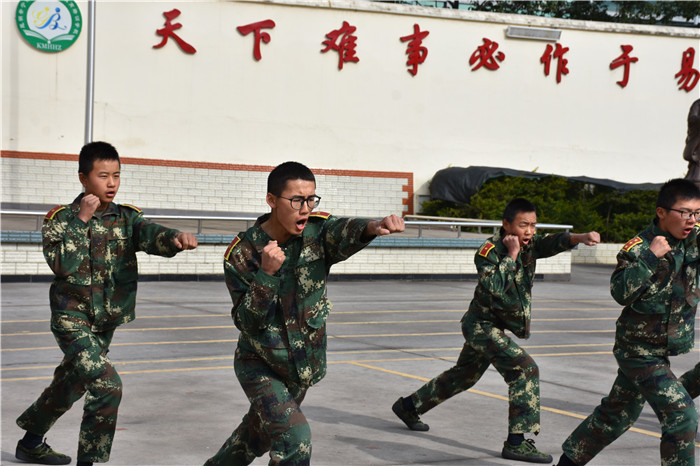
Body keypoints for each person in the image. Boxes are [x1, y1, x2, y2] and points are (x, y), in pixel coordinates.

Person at [204, 161, 405, 466]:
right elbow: (247, 322)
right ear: (272, 200)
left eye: (311, 199)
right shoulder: (243, 253)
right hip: (260, 365)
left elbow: (344, 230)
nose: (306, 209)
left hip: (300, 368)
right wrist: (266, 275)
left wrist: (374, 227)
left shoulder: (317, 233)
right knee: (295, 441)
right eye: (297, 200)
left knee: (254, 437)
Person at [15, 141, 198, 466]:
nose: (111, 183)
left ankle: (30, 443)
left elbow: (150, 234)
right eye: (103, 176)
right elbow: (62, 264)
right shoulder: (61, 218)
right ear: (83, 178)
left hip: (105, 322)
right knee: (107, 385)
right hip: (72, 319)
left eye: (116, 175)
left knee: (70, 384)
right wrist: (82, 219)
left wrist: (174, 238)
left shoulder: (126, 218)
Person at [391, 198, 600, 464]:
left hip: (494, 326)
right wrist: (511, 255)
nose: (529, 231)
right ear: (506, 224)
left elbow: (553, 241)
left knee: (463, 376)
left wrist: (581, 237)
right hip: (481, 326)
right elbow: (496, 287)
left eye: (533, 225)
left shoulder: (531, 244)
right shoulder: (488, 251)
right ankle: (517, 442)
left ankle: (408, 407)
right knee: (524, 369)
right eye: (523, 225)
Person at [556, 178, 700, 466]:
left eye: (697, 213)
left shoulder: (694, 241)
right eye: (685, 212)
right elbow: (620, 292)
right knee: (681, 414)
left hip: (662, 348)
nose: (692, 220)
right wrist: (650, 257)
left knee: (616, 414)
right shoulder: (638, 247)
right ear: (661, 212)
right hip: (637, 352)